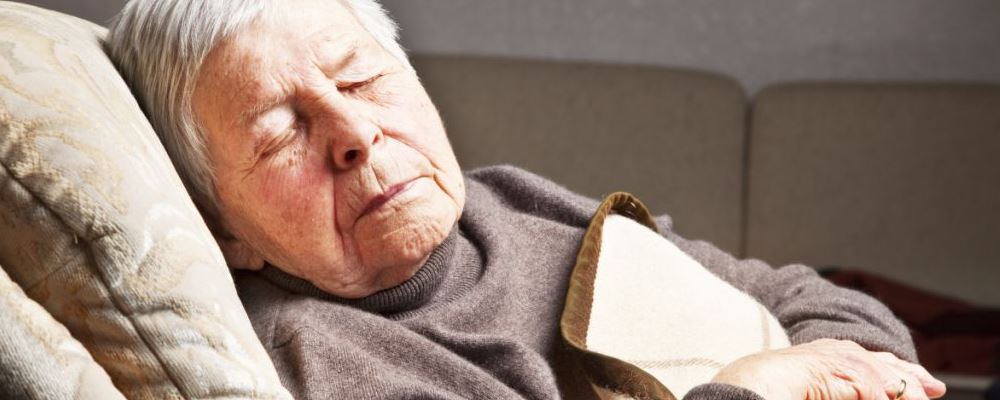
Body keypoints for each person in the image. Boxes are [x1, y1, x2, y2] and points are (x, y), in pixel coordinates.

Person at [106, 0, 947, 399]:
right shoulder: (313, 357)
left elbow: (796, 294)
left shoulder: (513, 202)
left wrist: (850, 369)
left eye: (360, 78)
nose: (354, 132)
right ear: (226, 229)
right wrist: (757, 392)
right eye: (281, 132)